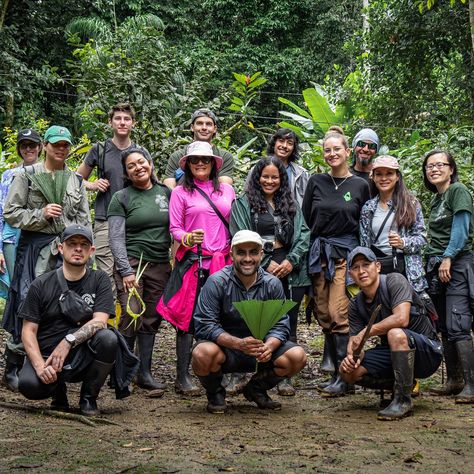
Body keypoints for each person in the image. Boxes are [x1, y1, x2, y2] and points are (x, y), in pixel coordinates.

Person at [2, 125, 90, 392]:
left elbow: (83, 218)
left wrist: (83, 251)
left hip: (65, 249)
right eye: (56, 144)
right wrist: (40, 214)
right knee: (29, 301)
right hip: (35, 250)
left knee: (64, 303)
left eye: (65, 145)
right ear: (46, 146)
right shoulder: (27, 175)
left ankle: (54, 359)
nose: (61, 149)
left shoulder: (75, 180)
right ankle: (14, 363)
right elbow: (11, 213)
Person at [192, 230, 307, 413]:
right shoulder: (216, 282)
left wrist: (269, 346)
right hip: (226, 349)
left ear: (261, 254)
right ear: (232, 254)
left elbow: (281, 325)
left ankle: (256, 389)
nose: (247, 258)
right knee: (201, 353)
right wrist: (238, 343)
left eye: (253, 252)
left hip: (261, 350)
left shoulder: (272, 284)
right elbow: (205, 324)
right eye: (241, 252)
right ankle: (215, 393)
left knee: (297, 356)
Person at [158, 141, 235, 395]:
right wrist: (188, 238)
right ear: (187, 164)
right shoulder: (180, 193)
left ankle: (217, 371)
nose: (200, 163)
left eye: (205, 159)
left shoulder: (226, 190)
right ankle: (182, 376)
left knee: (222, 316)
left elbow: (234, 222)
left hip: (223, 262)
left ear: (213, 163)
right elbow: (175, 227)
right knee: (187, 318)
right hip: (194, 261)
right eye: (194, 160)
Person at [18, 224, 118, 416]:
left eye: (84, 245)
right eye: (72, 244)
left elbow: (100, 321)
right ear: (61, 248)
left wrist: (68, 341)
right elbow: (28, 331)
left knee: (108, 339)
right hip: (48, 354)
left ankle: (88, 398)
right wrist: (39, 366)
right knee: (30, 386)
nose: (78, 249)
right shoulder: (40, 284)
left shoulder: (100, 279)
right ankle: (58, 392)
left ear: (92, 251)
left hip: (82, 353)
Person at [231, 156, 310, 395]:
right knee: (251, 320)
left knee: (289, 321)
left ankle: (281, 376)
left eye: (274, 177)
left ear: (281, 179)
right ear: (257, 177)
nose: (269, 181)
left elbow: (303, 234)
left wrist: (290, 261)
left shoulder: (291, 203)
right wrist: (265, 265)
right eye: (265, 176)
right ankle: (241, 371)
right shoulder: (243, 203)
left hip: (290, 270)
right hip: (255, 269)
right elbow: (240, 234)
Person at [302, 128, 370, 397]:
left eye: (336, 149)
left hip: (345, 255)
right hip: (320, 254)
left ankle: (346, 377)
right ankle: (336, 372)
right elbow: (308, 218)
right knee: (323, 313)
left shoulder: (360, 185)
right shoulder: (316, 181)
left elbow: (363, 223)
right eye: (327, 150)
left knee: (339, 313)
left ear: (347, 152)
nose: (332, 154)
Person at [340, 247, 442, 420]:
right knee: (347, 373)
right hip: (394, 353)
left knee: (395, 333)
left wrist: (366, 331)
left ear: (378, 266)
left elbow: (401, 319)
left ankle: (403, 401)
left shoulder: (394, 281)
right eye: (355, 267)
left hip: (427, 352)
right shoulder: (355, 305)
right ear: (350, 274)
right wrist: (352, 358)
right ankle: (400, 386)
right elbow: (355, 343)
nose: (361, 271)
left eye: (366, 264)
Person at [108, 147, 171, 391]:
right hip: (132, 264)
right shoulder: (121, 197)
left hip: (160, 265)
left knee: (151, 318)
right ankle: (122, 374)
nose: (138, 167)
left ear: (150, 163)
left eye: (141, 162)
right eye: (131, 165)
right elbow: (115, 237)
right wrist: (125, 270)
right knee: (131, 314)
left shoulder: (166, 193)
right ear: (126, 172)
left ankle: (144, 373)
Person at [422, 149, 474, 403]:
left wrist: (448, 257)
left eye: (440, 165)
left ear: (451, 169)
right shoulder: (437, 199)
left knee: (458, 323)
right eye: (430, 166)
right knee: (443, 324)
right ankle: (454, 380)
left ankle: (471, 386)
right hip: (437, 265)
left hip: (455, 263)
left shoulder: (457, 191)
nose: (434, 169)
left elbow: (461, 228)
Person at [77, 102, 140, 293]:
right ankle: (106, 319)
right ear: (110, 122)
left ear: (133, 123)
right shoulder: (100, 149)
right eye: (118, 119)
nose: (122, 123)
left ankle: (126, 320)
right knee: (105, 272)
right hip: (105, 218)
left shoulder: (139, 152)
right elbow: (77, 178)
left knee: (130, 272)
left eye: (126, 119)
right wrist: (93, 184)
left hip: (132, 220)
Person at [359, 155, 428, 293]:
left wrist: (403, 242)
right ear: (373, 177)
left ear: (397, 177)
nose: (384, 178)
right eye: (379, 174)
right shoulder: (368, 207)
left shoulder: (411, 204)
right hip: (378, 270)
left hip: (406, 271)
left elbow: (422, 238)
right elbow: (364, 244)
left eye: (389, 173)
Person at [0, 129, 42, 300]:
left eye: (32, 145)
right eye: (24, 146)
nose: (28, 149)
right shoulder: (8, 175)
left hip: (38, 234)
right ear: (19, 150)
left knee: (37, 283)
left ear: (40, 147)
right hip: (12, 235)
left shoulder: (46, 172)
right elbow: (1, 211)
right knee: (15, 285)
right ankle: (17, 326)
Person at [163, 108, 234, 189]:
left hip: (213, 200)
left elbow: (224, 189)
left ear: (214, 129)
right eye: (199, 123)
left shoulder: (224, 157)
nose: (204, 127)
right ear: (192, 127)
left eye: (208, 124)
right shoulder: (177, 156)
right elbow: (169, 189)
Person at [245, 129, 309, 206]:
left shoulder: (301, 174)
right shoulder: (257, 169)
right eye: (281, 141)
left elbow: (306, 203)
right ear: (274, 143)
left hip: (291, 215)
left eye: (289, 143)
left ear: (293, 148)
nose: (284, 146)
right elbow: (246, 195)